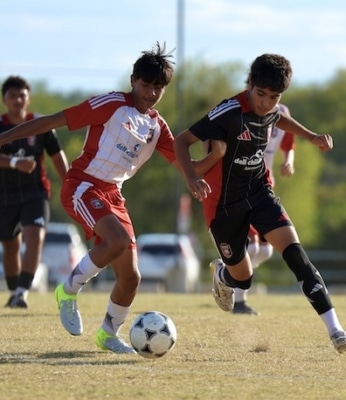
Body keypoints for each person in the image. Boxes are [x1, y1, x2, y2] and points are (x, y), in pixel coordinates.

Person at [0, 43, 224, 353]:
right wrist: (6, 136)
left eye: (158, 87)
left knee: (131, 278)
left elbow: (189, 166)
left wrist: (214, 158)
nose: (151, 93)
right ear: (133, 80)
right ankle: (68, 291)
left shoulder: (157, 127)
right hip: (82, 185)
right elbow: (53, 120)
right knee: (116, 241)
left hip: (113, 195)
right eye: (146, 85)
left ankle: (107, 333)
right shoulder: (110, 104)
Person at [173, 53, 346, 354]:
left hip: (259, 191)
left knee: (297, 257)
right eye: (261, 94)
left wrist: (311, 135)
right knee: (244, 278)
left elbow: (279, 117)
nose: (266, 102)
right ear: (250, 84)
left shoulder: (272, 108)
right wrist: (191, 178)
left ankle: (336, 331)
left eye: (274, 96)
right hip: (223, 205)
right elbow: (181, 141)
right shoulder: (228, 111)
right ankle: (223, 275)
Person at [0, 76, 69, 308]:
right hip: (4, 196)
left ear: (28, 98)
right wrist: (13, 163)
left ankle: (21, 292)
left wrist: (70, 185)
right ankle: (14, 291)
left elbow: (57, 157)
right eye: (12, 96)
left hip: (35, 194)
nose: (18, 100)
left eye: (22, 95)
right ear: (4, 100)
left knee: (36, 238)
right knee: (11, 248)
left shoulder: (41, 125)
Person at [234, 103, 295, 315]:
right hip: (242, 189)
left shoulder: (283, 115)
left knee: (267, 250)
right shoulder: (246, 111)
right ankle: (238, 301)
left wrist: (289, 161)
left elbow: (289, 144)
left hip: (265, 190)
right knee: (252, 246)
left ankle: (228, 274)